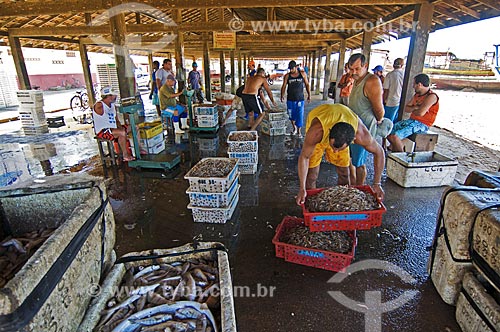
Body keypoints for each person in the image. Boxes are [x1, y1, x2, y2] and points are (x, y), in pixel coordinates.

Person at [295, 103, 385, 205]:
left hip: (342, 125)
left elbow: (379, 152)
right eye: (333, 147)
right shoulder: (316, 132)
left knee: (344, 174)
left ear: (353, 140)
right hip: (322, 129)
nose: (334, 151)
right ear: (329, 133)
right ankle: (310, 203)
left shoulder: (361, 134)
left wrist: (377, 183)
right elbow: (304, 157)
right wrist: (302, 188)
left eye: (339, 149)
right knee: (311, 176)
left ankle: (342, 205)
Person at [347, 53, 386, 186]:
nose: (354, 72)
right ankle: (352, 185)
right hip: (352, 126)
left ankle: (360, 187)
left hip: (364, 127)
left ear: (366, 66)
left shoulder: (372, 81)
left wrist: (379, 120)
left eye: (357, 69)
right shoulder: (356, 79)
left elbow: (379, 110)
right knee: (350, 159)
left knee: (359, 162)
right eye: (351, 69)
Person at [387, 73, 440, 152]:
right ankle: (399, 149)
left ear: (419, 84)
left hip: (422, 124)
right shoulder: (417, 95)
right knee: (388, 131)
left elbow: (420, 113)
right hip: (411, 121)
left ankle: (401, 157)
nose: (413, 86)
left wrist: (414, 108)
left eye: (414, 84)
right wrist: (415, 107)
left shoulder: (432, 96)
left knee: (395, 137)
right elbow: (406, 109)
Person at [92, 87, 135, 161]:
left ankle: (138, 149)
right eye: (114, 95)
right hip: (102, 131)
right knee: (121, 133)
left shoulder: (112, 106)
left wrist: (120, 127)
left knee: (135, 127)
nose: (116, 97)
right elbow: (97, 107)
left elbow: (117, 120)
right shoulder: (99, 105)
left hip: (113, 129)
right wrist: (121, 131)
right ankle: (125, 155)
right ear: (109, 96)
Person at [280, 60, 311, 137]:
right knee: (291, 115)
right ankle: (294, 128)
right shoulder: (287, 76)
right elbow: (284, 86)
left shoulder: (302, 74)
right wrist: (282, 95)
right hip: (290, 99)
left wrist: (309, 95)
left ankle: (299, 131)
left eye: (292, 69)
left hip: (300, 99)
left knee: (299, 115)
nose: (291, 70)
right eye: (290, 69)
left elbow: (307, 84)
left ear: (296, 67)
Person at [383, 58, 405, 123]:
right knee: (396, 121)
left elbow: (386, 89)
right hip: (401, 101)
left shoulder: (390, 75)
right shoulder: (405, 75)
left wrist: (384, 100)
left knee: (387, 121)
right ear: (402, 65)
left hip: (391, 101)